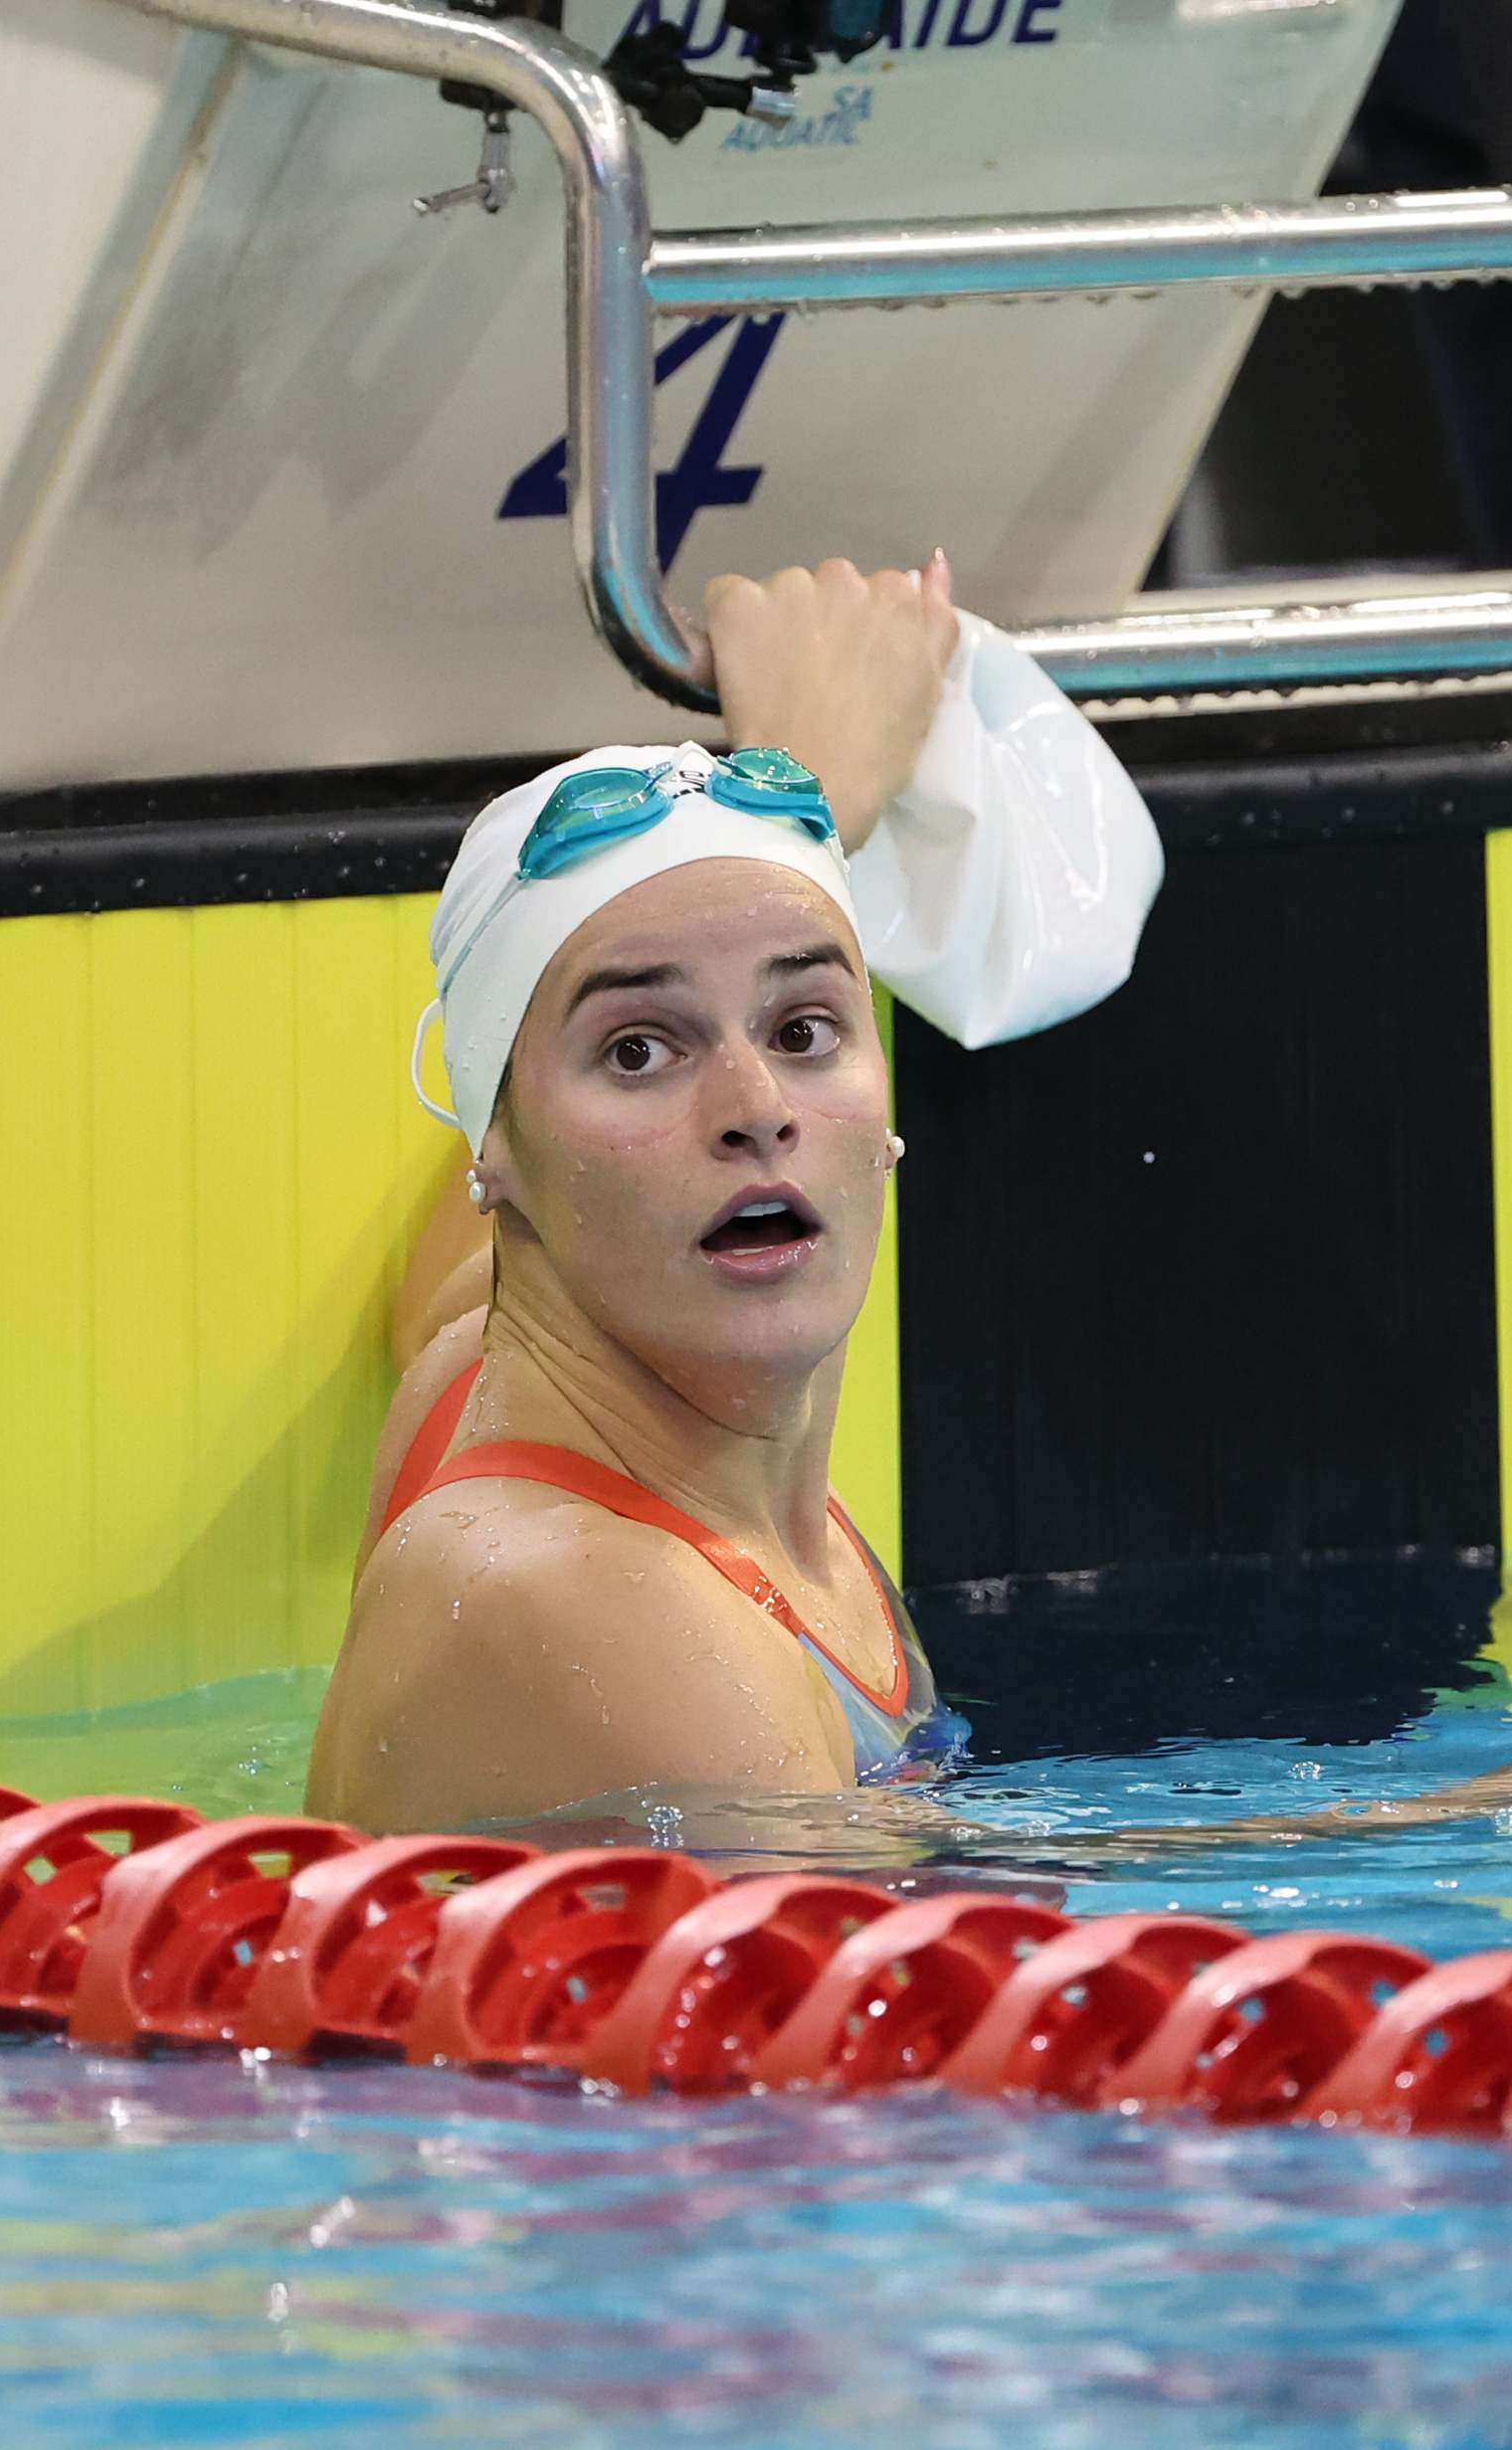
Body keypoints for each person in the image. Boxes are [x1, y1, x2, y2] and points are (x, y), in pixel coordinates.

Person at [306, 553, 1165, 1834]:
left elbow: (447, 1278)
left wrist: (800, 802)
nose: (757, 1105)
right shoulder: (598, 1605)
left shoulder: (489, 1378)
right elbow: (881, 2017)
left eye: (806, 1023)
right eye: (639, 1052)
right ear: (499, 1153)